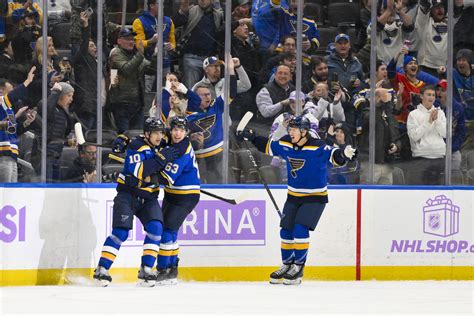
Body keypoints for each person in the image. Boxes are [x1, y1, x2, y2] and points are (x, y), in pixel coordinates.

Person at [235, 116, 357, 285]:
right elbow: (269, 147)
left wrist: (344, 154)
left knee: (300, 229)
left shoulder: (317, 146)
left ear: (304, 131)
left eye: (293, 129)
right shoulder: (286, 144)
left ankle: (298, 267)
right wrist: (252, 136)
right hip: (293, 196)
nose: (290, 132)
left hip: (315, 197)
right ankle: (287, 264)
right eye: (289, 129)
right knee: (285, 231)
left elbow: (335, 156)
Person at [93, 117, 179, 287]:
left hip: (149, 197)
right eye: (155, 133)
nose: (158, 136)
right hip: (128, 195)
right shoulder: (136, 146)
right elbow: (139, 171)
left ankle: (146, 270)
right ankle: (101, 270)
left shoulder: (159, 146)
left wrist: (124, 137)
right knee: (121, 232)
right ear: (147, 133)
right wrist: (160, 160)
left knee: (156, 229)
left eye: (160, 133)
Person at [155, 116, 201, 285]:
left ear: (186, 132)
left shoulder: (182, 150)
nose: (177, 133)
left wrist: (144, 170)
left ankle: (163, 269)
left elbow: (165, 178)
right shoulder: (171, 141)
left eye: (181, 130)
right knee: (171, 231)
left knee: (167, 229)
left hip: (186, 196)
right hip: (172, 193)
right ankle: (172, 269)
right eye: (175, 129)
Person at [406, 85, 446, 185]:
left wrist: (436, 120)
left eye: (433, 95)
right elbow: (414, 136)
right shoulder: (413, 114)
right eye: (428, 94)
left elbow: (445, 134)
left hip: (439, 157)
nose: (431, 97)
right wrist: (428, 122)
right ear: (421, 96)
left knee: (438, 192)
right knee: (420, 192)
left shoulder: (440, 113)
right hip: (421, 158)